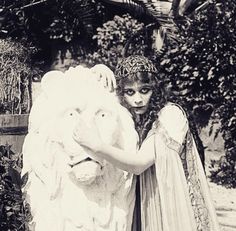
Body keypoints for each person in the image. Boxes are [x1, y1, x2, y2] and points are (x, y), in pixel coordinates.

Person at [73, 55, 220, 231]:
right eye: (130, 92)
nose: (138, 99)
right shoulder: (132, 118)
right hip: (143, 203)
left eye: (145, 90)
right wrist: (98, 70)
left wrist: (96, 145)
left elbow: (139, 164)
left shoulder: (170, 114)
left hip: (170, 204)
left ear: (156, 89)